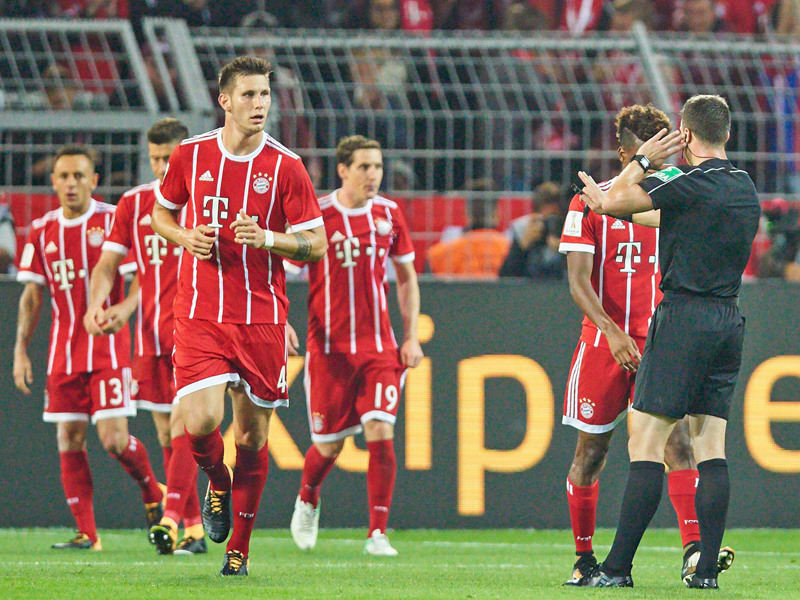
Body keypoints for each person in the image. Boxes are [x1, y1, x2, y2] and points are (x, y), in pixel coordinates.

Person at [150, 55, 327, 576]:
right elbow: (161, 213)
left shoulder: (286, 166)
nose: (259, 105)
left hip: (262, 318)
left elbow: (316, 244)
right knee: (201, 419)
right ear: (224, 100)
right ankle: (217, 483)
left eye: (265, 95)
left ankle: (237, 554)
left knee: (251, 439)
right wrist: (185, 236)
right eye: (248, 95)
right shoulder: (190, 155)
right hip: (201, 312)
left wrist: (268, 238)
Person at [578, 95, 760, 589]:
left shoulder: (686, 185)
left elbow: (614, 202)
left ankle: (616, 569)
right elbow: (645, 216)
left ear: (684, 133)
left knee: (647, 443)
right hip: (728, 321)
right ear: (725, 132)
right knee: (710, 446)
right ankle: (704, 574)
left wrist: (640, 162)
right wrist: (616, 206)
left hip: (683, 317)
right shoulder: (745, 188)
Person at [12, 144, 164, 551]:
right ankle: (88, 534)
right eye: (63, 176)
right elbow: (32, 295)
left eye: (79, 175)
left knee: (114, 440)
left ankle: (153, 492)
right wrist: (20, 350)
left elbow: (141, 276)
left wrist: (127, 309)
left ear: (94, 181)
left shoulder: (113, 219)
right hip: (64, 351)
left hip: (110, 348)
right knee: (69, 437)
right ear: (54, 181)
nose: (71, 183)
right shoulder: (42, 230)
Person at [289, 135, 423, 556]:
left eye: (378, 167)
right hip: (328, 349)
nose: (373, 175)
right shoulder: (318, 215)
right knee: (329, 445)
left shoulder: (389, 214)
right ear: (343, 170)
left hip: (379, 346)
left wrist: (411, 335)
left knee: (380, 428)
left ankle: (377, 533)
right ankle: (308, 497)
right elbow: (280, 270)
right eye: (364, 167)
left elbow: (406, 278)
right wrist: (280, 325)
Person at [83, 118, 206, 555]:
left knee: (184, 428)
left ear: (183, 155)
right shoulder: (134, 204)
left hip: (197, 332)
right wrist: (97, 304)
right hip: (151, 337)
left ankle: (171, 521)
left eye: (167, 158)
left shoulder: (205, 201)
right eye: (153, 158)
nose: (160, 167)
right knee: (167, 436)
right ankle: (193, 527)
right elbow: (107, 265)